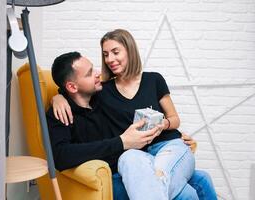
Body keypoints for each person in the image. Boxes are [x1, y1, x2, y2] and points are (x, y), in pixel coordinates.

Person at [49, 51, 217, 199]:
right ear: (71, 86)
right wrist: (120, 142)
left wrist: (175, 136)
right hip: (114, 174)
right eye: (89, 73)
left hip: (138, 161)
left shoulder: (102, 96)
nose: (98, 73)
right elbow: (61, 156)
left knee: (202, 178)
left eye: (94, 68)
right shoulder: (60, 113)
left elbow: (139, 118)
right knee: (187, 193)